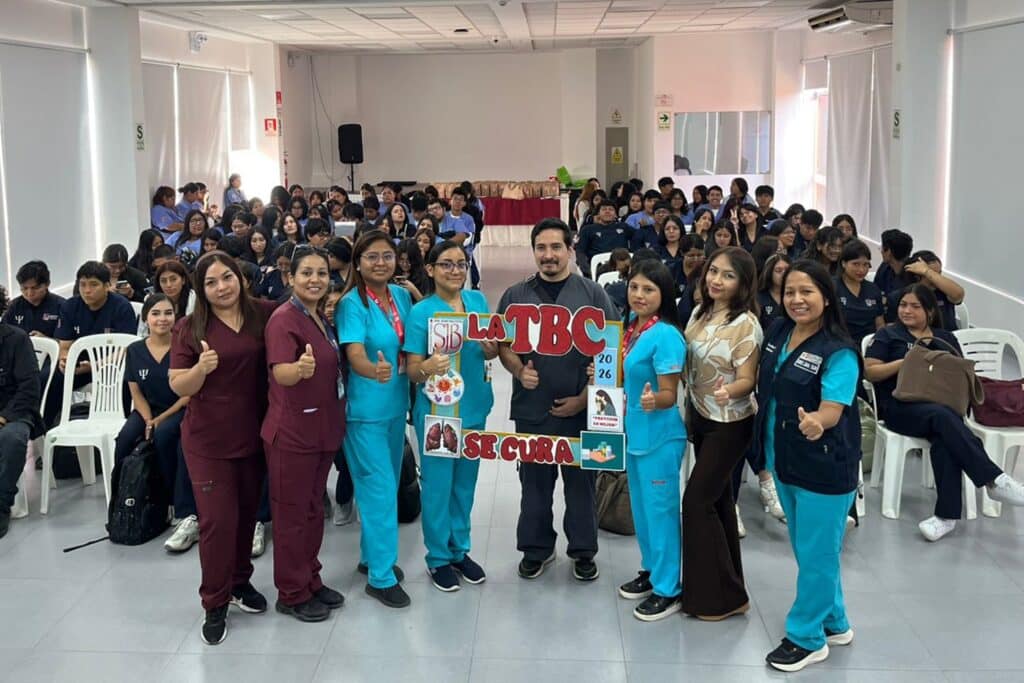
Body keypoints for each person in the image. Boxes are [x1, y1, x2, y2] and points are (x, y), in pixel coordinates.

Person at [754, 261, 862, 672]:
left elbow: (834, 408)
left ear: (826, 297)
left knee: (817, 552)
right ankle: (834, 620)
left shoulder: (839, 351)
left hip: (824, 465)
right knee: (809, 549)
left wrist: (818, 421)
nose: (797, 300)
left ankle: (806, 637)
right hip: (783, 458)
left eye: (807, 292)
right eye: (790, 292)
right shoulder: (779, 331)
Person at [497, 218, 619, 582]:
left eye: (555, 248)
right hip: (532, 411)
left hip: (581, 413)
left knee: (581, 486)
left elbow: (610, 351)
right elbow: (503, 345)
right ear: (533, 251)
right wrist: (518, 371)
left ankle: (583, 550)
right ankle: (536, 549)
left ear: (570, 250)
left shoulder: (593, 295)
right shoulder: (515, 296)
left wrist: (584, 400)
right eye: (541, 248)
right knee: (534, 485)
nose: (548, 255)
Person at [169, 252, 277, 645]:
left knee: (247, 517)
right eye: (211, 282)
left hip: (253, 435)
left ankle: (239, 583)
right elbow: (178, 384)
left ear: (240, 278)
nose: (221, 287)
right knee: (217, 521)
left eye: (227, 277)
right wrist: (201, 369)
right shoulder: (189, 326)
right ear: (201, 289)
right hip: (207, 440)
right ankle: (214, 601)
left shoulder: (263, 313)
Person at [865, 284, 1024, 542]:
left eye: (915, 306)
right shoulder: (888, 335)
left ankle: (945, 517)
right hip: (899, 407)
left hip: (942, 408)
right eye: (903, 305)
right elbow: (870, 372)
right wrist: (907, 362)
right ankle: (994, 480)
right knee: (943, 419)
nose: (906, 310)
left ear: (929, 311)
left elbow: (960, 374)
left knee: (944, 438)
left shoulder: (945, 338)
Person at [404, 241, 497, 592]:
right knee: (439, 487)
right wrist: (427, 366)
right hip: (438, 414)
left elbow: (494, 348)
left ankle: (460, 550)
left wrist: (493, 348)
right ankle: (438, 557)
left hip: (474, 407)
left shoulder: (477, 303)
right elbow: (412, 370)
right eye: (447, 264)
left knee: (465, 486)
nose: (456, 271)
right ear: (430, 269)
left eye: (461, 264)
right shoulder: (421, 312)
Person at [263, 245, 346, 622]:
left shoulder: (317, 316)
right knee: (292, 515)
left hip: (321, 429)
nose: (315, 280)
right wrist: (298, 370)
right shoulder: (284, 319)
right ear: (290, 278)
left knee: (313, 510)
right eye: (306, 273)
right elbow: (281, 372)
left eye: (322, 273)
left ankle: (310, 578)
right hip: (293, 434)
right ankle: (291, 592)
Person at [681, 247, 761, 620]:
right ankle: (732, 589)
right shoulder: (701, 310)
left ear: (743, 283)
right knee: (718, 503)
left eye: (728, 275)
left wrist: (731, 390)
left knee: (696, 503)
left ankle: (716, 598)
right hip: (701, 416)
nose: (716, 279)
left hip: (730, 423)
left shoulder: (746, 324)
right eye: (714, 271)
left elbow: (748, 378)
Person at [337, 230, 414, 608]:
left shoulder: (401, 296)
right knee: (380, 491)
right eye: (372, 257)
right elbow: (354, 354)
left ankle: (371, 559)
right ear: (358, 263)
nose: (380, 263)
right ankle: (382, 578)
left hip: (396, 407)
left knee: (385, 487)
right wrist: (373, 371)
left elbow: (415, 342)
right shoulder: (352, 304)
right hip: (365, 412)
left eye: (387, 256)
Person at [612, 259, 686, 621]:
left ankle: (670, 588)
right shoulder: (633, 328)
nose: (638, 295)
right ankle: (652, 570)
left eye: (649, 289)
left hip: (660, 437)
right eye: (634, 287)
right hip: (635, 433)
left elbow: (670, 394)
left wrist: (652, 399)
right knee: (642, 512)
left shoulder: (666, 335)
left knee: (662, 512)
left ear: (664, 294)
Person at [114, 295, 191, 522]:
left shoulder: (184, 347)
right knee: (125, 439)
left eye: (168, 313)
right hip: (147, 409)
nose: (162, 319)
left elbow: (188, 393)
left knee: (165, 435)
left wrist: (159, 420)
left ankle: (170, 501)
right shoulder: (135, 350)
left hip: (178, 409)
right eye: (156, 314)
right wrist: (148, 419)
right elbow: (135, 393)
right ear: (146, 318)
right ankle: (123, 500)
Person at [47, 262, 137, 426]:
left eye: (94, 285)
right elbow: (65, 345)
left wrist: (95, 365)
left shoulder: (122, 307)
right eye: (82, 285)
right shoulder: (70, 306)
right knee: (46, 380)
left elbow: (126, 348)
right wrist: (66, 361)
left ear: (107, 286)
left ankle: (121, 431)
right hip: (80, 366)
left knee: (125, 383)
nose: (87, 290)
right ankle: (47, 430)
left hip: (113, 366)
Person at [0, 299, 44, 539]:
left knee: (12, 439)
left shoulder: (16, 339)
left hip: (15, 412)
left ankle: (2, 503)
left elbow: (29, 388)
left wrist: (4, 417)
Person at [835, 240, 884, 345]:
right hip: (840, 344)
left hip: (869, 345)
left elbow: (879, 324)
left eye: (866, 264)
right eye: (856, 264)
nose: (861, 270)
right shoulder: (832, 287)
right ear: (843, 263)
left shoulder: (873, 289)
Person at [900, 250, 965, 331]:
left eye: (938, 274)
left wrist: (926, 271)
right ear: (917, 276)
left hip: (947, 339)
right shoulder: (904, 295)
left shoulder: (944, 290)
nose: (936, 278)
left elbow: (958, 295)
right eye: (933, 274)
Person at [3, 261, 64, 337]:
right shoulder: (13, 307)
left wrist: (47, 340)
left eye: (35, 288)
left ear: (47, 284)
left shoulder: (63, 306)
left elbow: (70, 343)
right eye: (24, 288)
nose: (29, 293)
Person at [575, 199, 633, 276]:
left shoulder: (624, 227)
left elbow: (639, 239)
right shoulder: (588, 229)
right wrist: (587, 270)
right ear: (598, 213)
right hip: (597, 268)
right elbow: (580, 251)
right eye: (604, 209)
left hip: (623, 268)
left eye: (611, 209)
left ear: (616, 214)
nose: (607, 211)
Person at [658, 216, 688, 294]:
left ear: (681, 230)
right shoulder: (655, 250)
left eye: (675, 228)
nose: (671, 231)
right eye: (667, 229)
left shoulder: (687, 250)